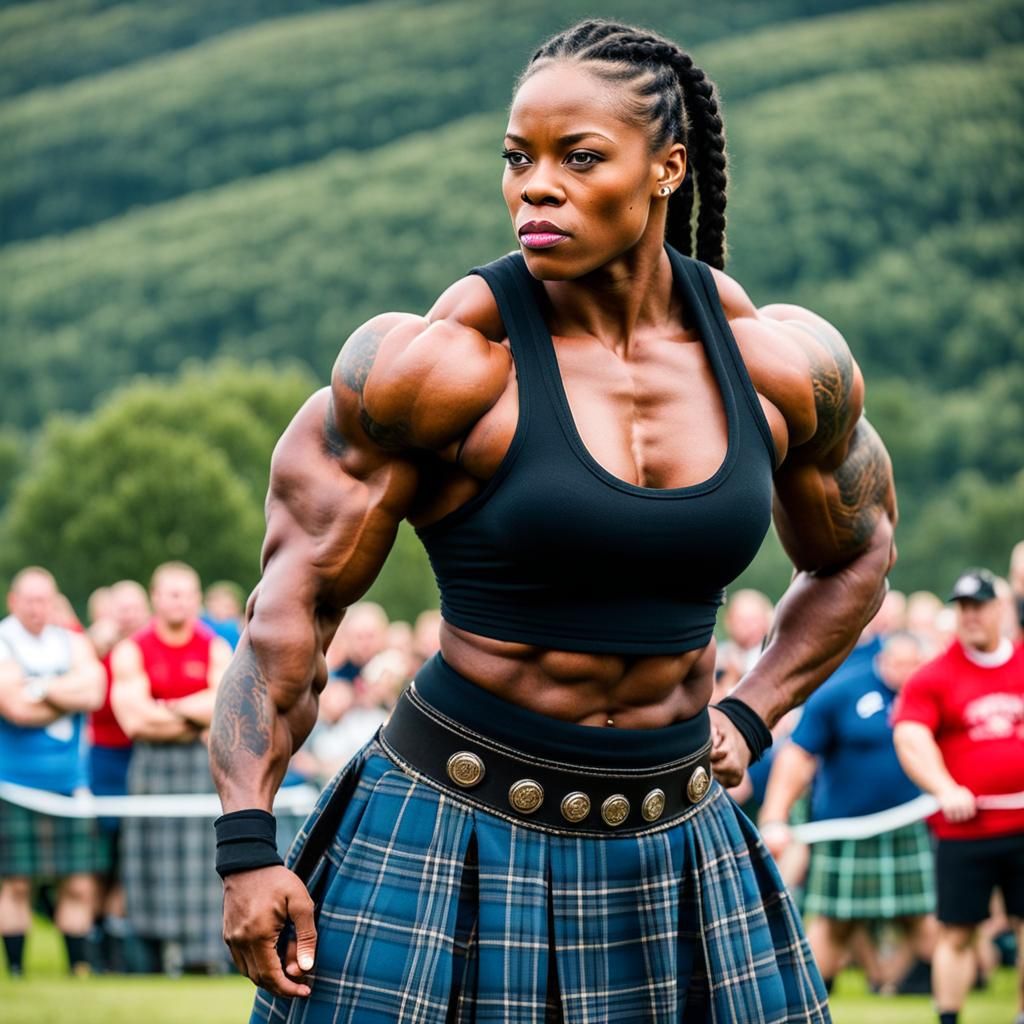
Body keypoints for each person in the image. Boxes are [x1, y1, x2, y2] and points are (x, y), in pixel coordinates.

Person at [210, 20, 896, 1022]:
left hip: (678, 840)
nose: (535, 185)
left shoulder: (781, 366)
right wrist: (244, 845)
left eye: (578, 158)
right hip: (454, 823)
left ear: (667, 168)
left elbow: (860, 550)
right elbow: (292, 609)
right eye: (516, 157)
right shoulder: (432, 369)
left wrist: (752, 710)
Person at [759, 631, 936, 994]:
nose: (906, 671)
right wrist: (774, 815)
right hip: (844, 828)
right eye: (898, 663)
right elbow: (797, 756)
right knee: (834, 921)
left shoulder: (926, 692)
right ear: (883, 659)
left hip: (908, 821)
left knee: (920, 915)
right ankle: (804, 993)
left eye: (913, 665)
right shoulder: (840, 692)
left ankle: (921, 987)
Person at [893, 568, 1024, 1024]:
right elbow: (911, 737)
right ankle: (948, 1018)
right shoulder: (935, 675)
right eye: (963, 606)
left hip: (1021, 828)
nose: (970, 615)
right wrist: (945, 788)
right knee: (957, 933)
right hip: (964, 832)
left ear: (1001, 608)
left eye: (980, 605)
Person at [111, 562, 231, 973]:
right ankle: (152, 954)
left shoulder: (215, 646)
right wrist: (195, 715)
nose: (178, 600)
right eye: (170, 592)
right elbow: (135, 722)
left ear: (197, 599)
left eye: (186, 593)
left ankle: (205, 957)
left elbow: (225, 706)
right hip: (150, 767)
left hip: (204, 765)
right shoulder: (132, 648)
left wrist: (168, 707)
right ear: (155, 597)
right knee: (150, 859)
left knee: (204, 860)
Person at [0, 567, 106, 976]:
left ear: (54, 600)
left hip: (70, 782)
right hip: (12, 785)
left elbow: (94, 692)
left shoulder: (72, 642)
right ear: (13, 601)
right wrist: (68, 690)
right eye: (28, 599)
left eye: (43, 599)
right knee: (16, 882)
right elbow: (15, 709)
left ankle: (77, 967)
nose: (36, 608)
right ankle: (15, 968)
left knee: (78, 881)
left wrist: (40, 686)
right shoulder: (4, 639)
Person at [86, 578, 151, 972]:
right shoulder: (96, 650)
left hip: (140, 757)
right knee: (101, 861)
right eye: (120, 607)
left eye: (134, 606)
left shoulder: (147, 648)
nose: (127, 614)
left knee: (131, 861)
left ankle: (118, 953)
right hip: (103, 760)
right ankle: (90, 948)